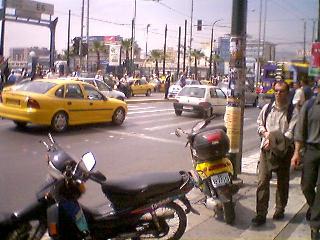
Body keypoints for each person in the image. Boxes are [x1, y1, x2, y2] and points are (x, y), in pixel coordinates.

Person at [251, 81, 298, 227]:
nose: (278, 94)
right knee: (262, 181)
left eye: (282, 91)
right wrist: (265, 134)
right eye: (276, 91)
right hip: (266, 151)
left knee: (282, 183)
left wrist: (273, 139)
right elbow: (259, 124)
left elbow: (290, 133)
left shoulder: (293, 112)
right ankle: (261, 213)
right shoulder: (267, 108)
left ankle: (279, 209)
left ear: (287, 93)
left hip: (284, 151)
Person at [291, 79, 320, 240]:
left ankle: (315, 227)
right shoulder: (309, 105)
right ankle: (315, 207)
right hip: (311, 151)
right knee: (306, 185)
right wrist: (297, 153)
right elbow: (300, 131)